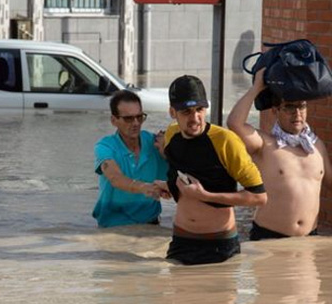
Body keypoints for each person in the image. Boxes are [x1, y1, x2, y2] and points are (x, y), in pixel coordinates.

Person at [227, 68, 332, 241]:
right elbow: (234, 123)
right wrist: (256, 88)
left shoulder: (316, 146)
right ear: (275, 111)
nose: (297, 113)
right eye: (289, 107)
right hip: (269, 238)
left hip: (309, 239)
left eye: (301, 106)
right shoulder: (264, 144)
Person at [156, 75, 267, 265]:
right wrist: (168, 186)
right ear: (172, 112)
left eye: (200, 109)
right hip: (180, 242)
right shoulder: (171, 134)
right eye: (186, 112)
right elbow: (189, 174)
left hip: (220, 245)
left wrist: (206, 195)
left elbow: (259, 198)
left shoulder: (226, 141)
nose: (195, 118)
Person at [93, 90, 170, 228]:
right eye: (128, 118)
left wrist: (168, 153)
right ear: (114, 120)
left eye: (139, 117)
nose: (135, 123)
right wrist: (143, 187)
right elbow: (115, 178)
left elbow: (182, 173)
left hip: (151, 225)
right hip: (114, 226)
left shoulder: (155, 143)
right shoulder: (105, 146)